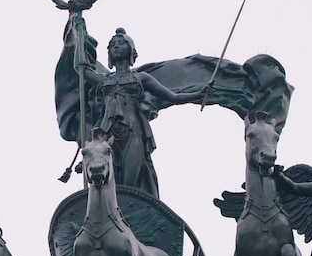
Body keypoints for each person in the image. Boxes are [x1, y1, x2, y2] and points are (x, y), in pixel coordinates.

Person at [73, 22, 212, 198]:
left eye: (121, 43)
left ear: (131, 50)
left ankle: (135, 214)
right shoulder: (103, 79)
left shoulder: (141, 78)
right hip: (106, 133)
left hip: (133, 131)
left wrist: (199, 94)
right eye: (112, 45)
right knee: (108, 178)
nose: (115, 47)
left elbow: (173, 97)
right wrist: (78, 35)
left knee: (131, 179)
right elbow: (80, 68)